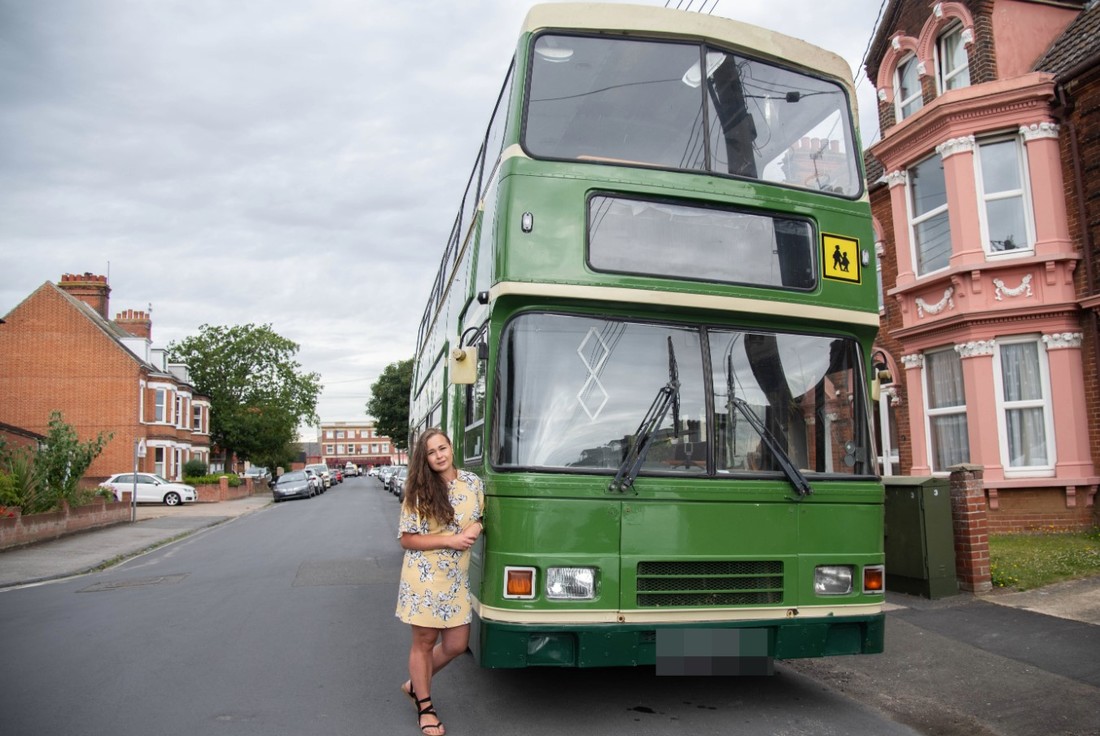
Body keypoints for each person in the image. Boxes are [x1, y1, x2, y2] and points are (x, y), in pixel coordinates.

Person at [395, 429, 484, 736]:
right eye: (431, 452)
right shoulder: (419, 491)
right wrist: (453, 539)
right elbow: (407, 539)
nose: (439, 456)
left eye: (442, 448)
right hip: (425, 578)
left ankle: (414, 684)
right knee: (424, 644)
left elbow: (480, 514)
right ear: (425, 458)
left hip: (456, 579)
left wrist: (476, 527)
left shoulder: (472, 482)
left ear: (451, 448)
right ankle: (426, 707)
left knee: (457, 644)